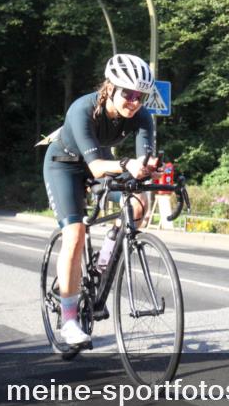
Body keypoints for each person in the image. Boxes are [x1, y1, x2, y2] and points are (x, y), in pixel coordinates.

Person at [43, 53, 158, 347]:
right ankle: (68, 321)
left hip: (104, 162)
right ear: (110, 88)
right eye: (128, 94)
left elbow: (142, 162)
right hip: (64, 164)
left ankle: (103, 261)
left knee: (138, 204)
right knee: (75, 234)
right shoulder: (82, 109)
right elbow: (95, 169)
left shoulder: (142, 116)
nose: (135, 102)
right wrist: (128, 164)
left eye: (141, 96)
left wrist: (147, 168)